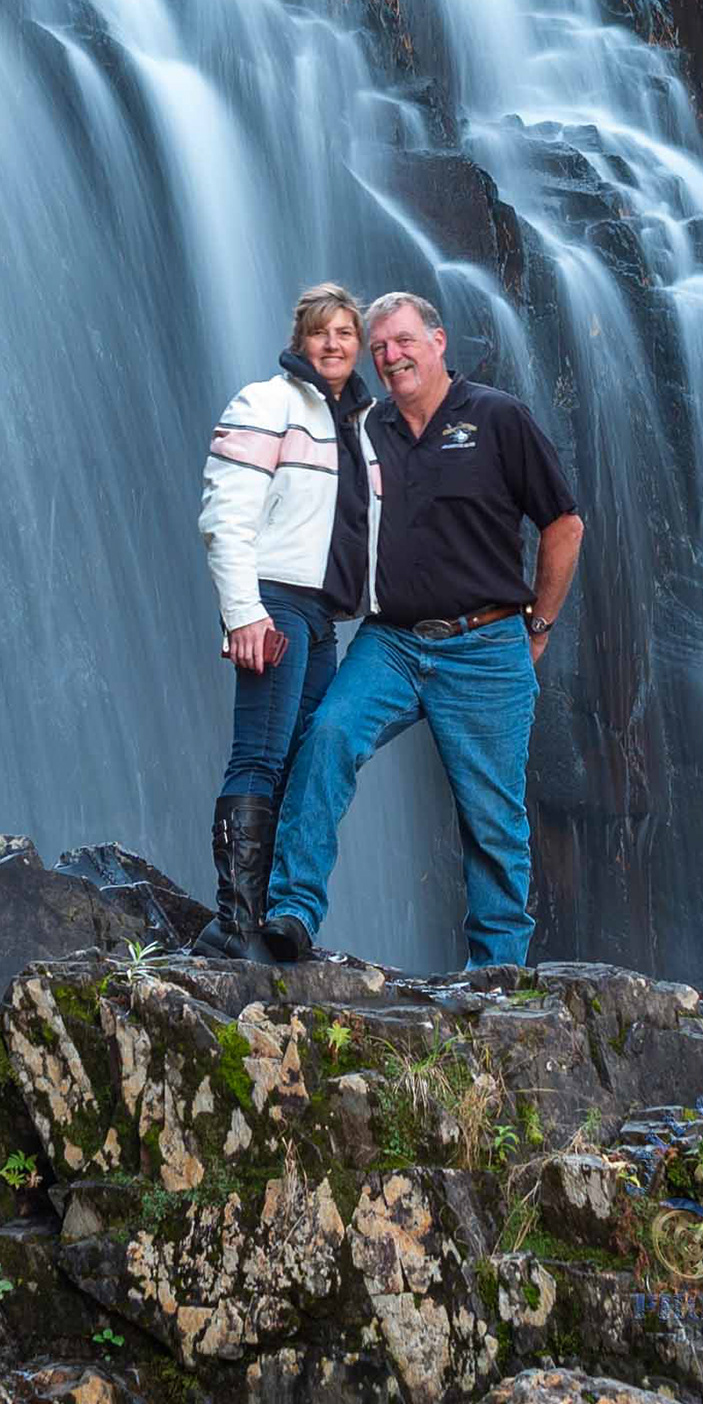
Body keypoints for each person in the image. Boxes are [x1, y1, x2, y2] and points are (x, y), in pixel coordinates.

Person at [262, 290, 584, 969]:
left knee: (493, 817)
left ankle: (495, 971)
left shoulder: (497, 417)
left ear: (438, 343)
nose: (390, 355)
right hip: (392, 641)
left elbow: (564, 524)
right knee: (327, 737)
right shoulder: (366, 428)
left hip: (487, 642)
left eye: (403, 340)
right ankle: (291, 912)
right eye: (378, 348)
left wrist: (541, 625)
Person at [195, 281, 373, 960]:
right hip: (277, 602)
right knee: (260, 755)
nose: (332, 344)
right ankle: (234, 925)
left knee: (300, 761)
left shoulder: (354, 422)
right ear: (300, 340)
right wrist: (245, 613)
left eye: (345, 334)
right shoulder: (266, 402)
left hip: (325, 616)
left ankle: (268, 917)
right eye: (320, 332)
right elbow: (225, 514)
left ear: (358, 347)